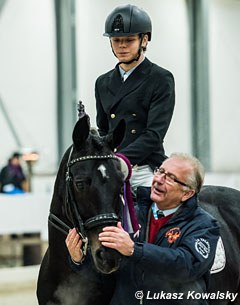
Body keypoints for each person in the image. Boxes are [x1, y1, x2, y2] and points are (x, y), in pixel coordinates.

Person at [66, 153, 220, 304]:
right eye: (160, 171)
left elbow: (187, 266)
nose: (159, 180)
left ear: (187, 193)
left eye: (171, 178)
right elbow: (107, 273)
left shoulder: (204, 225)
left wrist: (134, 250)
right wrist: (80, 261)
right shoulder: (128, 215)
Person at [95, 4, 175, 194]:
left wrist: (121, 159)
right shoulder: (102, 82)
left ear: (144, 40)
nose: (122, 46)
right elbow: (104, 129)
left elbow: (154, 134)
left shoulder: (160, 78)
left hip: (144, 168)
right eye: (116, 40)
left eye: (129, 40)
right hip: (114, 167)